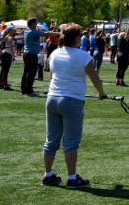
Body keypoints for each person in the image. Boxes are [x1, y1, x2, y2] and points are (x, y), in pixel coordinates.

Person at [41, 23, 107, 189]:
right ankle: (72, 177)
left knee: (51, 141)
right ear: (77, 38)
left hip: (52, 98)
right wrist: (101, 93)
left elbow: (51, 76)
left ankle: (48, 175)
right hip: (72, 101)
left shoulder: (55, 53)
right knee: (71, 142)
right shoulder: (83, 56)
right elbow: (95, 78)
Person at [23, 19, 59, 97]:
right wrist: (60, 33)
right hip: (31, 54)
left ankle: (25, 90)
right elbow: (47, 33)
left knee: (26, 72)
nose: (37, 24)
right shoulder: (33, 31)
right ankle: (29, 91)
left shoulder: (27, 31)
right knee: (31, 73)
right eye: (36, 23)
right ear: (32, 23)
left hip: (27, 53)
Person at [0, 26, 18, 90]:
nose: (14, 31)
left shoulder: (6, 37)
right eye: (13, 30)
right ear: (9, 31)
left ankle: (2, 84)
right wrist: (13, 56)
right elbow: (11, 47)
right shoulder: (9, 37)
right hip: (7, 54)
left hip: (4, 54)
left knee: (3, 70)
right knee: (6, 70)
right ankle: (5, 84)